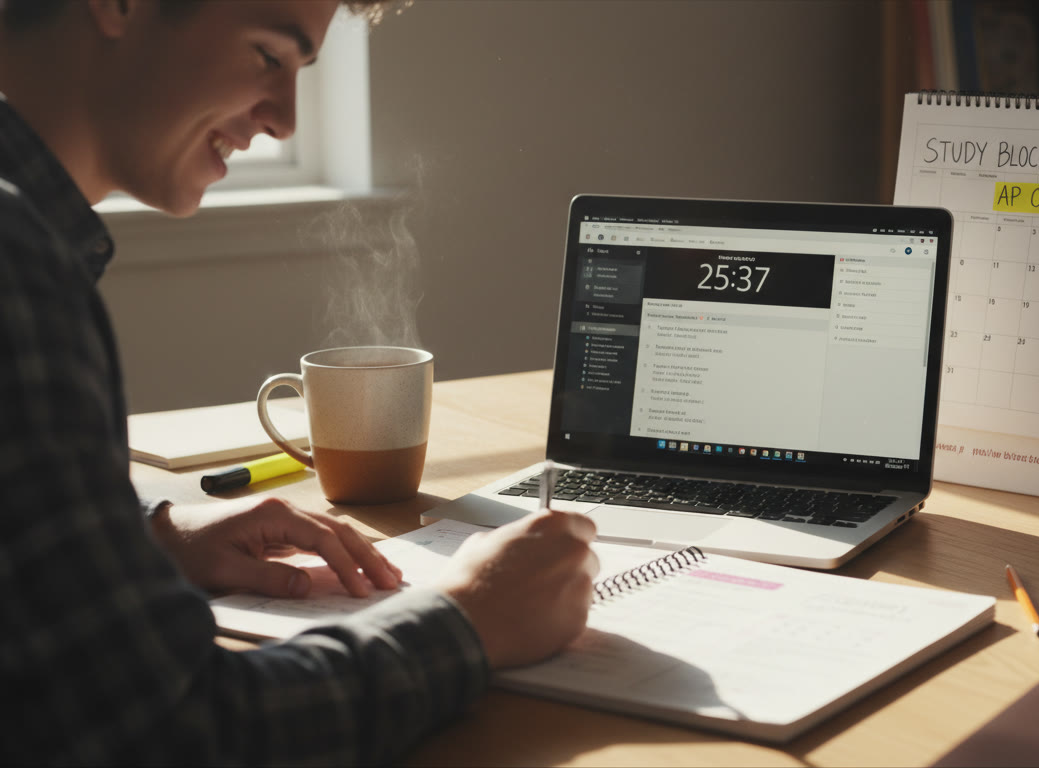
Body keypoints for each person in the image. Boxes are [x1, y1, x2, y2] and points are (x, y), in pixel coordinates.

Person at [0, 0, 599, 762]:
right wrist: (468, 622)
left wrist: (147, 535)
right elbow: (170, 734)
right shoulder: (15, 266)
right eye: (266, 56)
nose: (284, 121)